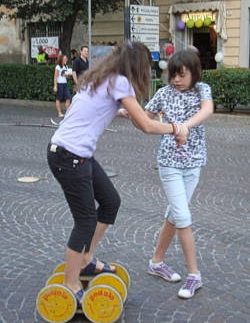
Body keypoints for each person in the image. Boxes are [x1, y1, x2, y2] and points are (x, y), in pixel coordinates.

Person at [47, 41, 188, 304]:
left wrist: (121, 111)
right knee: (85, 220)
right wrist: (176, 129)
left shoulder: (100, 78)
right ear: (136, 65)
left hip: (73, 154)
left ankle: (87, 259)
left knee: (111, 202)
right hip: (69, 156)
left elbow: (98, 109)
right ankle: (70, 281)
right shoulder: (120, 82)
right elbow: (146, 125)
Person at [145, 49, 213, 299]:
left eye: (181, 75)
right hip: (169, 163)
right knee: (182, 216)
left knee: (174, 214)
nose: (176, 79)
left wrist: (184, 126)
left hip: (194, 163)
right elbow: (145, 118)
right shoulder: (163, 93)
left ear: (194, 74)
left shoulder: (202, 89)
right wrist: (123, 110)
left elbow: (207, 111)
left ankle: (156, 262)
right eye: (173, 74)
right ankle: (195, 275)